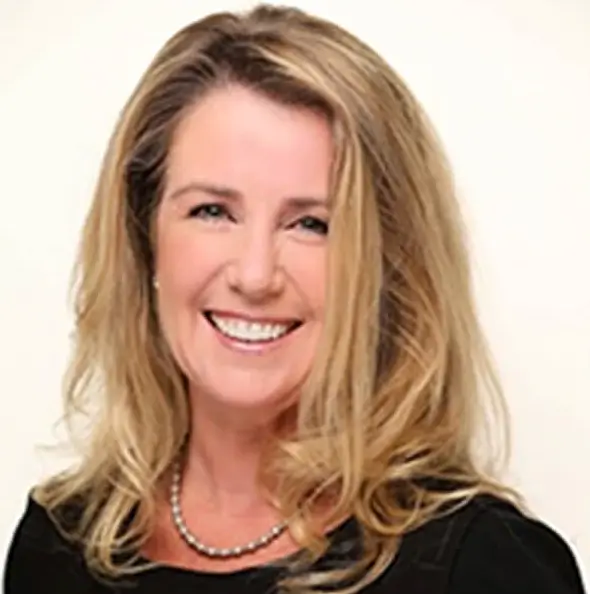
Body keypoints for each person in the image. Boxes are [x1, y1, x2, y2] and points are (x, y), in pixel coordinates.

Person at [3, 4, 586, 594]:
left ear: (386, 267)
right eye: (213, 211)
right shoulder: (57, 546)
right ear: (143, 236)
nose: (256, 275)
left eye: (311, 224)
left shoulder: (489, 568)